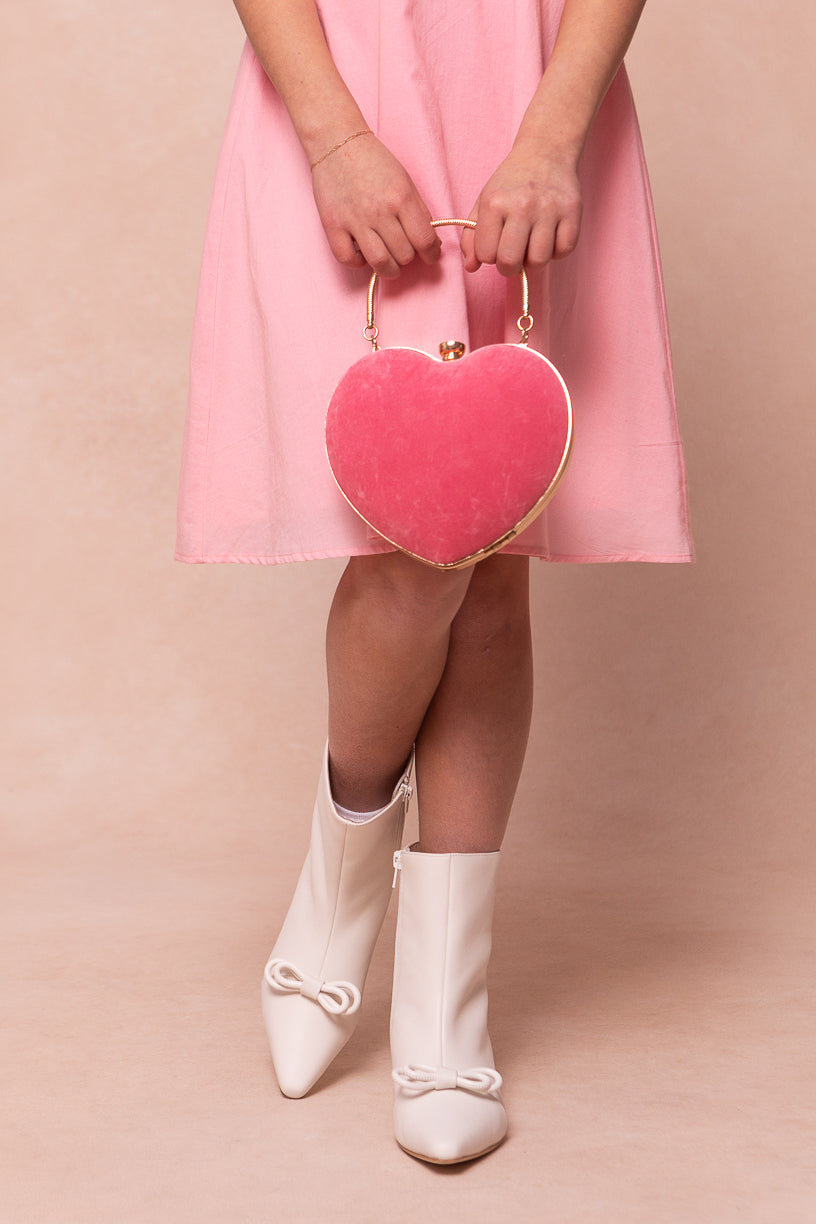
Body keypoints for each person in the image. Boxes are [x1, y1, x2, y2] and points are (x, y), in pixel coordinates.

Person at [176, 0, 693, 1165]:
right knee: (411, 557)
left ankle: (446, 1014)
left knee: (497, 563)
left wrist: (558, 129)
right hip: (342, 96)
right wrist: (334, 139)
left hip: (536, 95)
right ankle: (344, 875)